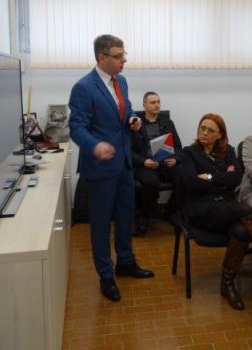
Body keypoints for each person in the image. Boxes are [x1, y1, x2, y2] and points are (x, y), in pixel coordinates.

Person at [68, 34, 154, 303]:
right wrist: (94, 146)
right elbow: (76, 127)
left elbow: (125, 110)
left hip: (124, 162)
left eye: (124, 54)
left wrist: (132, 119)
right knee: (101, 224)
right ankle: (106, 275)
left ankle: (125, 262)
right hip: (100, 167)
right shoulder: (83, 87)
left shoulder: (121, 81)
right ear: (101, 57)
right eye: (118, 56)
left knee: (126, 216)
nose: (124, 60)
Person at [176, 113, 252, 310]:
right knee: (245, 210)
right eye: (202, 128)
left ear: (219, 135)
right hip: (200, 211)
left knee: (241, 231)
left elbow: (237, 178)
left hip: (225, 208)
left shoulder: (228, 151)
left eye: (210, 130)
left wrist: (209, 177)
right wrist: (222, 178)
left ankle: (227, 284)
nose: (204, 132)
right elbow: (191, 183)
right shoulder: (188, 153)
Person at [130, 91, 182, 236]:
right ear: (144, 105)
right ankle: (144, 216)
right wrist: (143, 161)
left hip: (165, 163)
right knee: (152, 182)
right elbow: (128, 151)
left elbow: (178, 147)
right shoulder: (136, 124)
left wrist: (175, 159)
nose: (157, 105)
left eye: (158, 102)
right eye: (153, 102)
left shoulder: (167, 123)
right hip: (145, 165)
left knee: (183, 175)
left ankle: (171, 211)